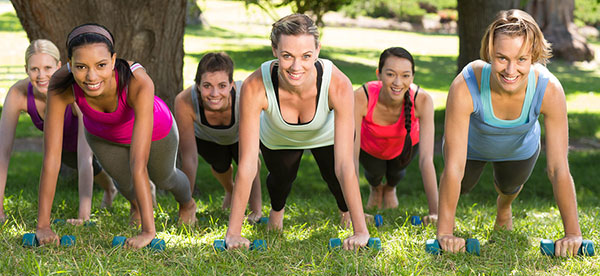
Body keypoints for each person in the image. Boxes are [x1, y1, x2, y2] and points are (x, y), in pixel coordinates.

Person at [36, 23, 196, 249]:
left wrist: (148, 233)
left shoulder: (137, 81)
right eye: (81, 66)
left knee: (165, 177)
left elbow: (138, 164)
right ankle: (138, 206)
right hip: (103, 134)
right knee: (124, 182)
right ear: (70, 64)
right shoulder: (62, 84)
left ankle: (188, 204)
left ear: (113, 60)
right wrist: (43, 225)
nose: (91, 76)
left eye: (101, 65)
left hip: (156, 129)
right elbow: (52, 158)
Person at [437, 9, 582, 257]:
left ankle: (504, 209)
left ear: (534, 56)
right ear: (490, 53)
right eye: (502, 58)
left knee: (509, 187)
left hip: (519, 148)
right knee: (462, 185)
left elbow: (558, 168)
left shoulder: (549, 90)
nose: (510, 70)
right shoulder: (466, 83)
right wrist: (445, 233)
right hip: (471, 148)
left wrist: (572, 234)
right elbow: (453, 167)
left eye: (522, 59)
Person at [224, 14, 369, 250]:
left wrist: (361, 232)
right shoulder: (254, 85)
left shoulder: (339, 84)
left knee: (335, 176)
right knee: (281, 178)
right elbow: (248, 164)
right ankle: (276, 212)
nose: (296, 66)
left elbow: (345, 165)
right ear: (274, 50)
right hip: (279, 136)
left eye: (306, 56)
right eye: (287, 56)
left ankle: (347, 214)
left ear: (318, 51)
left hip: (326, 133)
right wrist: (234, 233)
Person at [0, 39, 117, 225]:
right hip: (63, 148)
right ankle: (110, 188)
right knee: (80, 163)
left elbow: (84, 157)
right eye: (34, 69)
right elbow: (2, 153)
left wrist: (83, 217)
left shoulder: (74, 92)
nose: (41, 75)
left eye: (48, 68)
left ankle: (114, 190)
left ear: (60, 66)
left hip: (97, 139)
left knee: (97, 164)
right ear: (26, 69)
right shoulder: (18, 93)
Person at [353, 47, 438, 224]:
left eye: (405, 75)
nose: (398, 82)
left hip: (405, 147)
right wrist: (353, 213)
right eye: (390, 74)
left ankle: (390, 188)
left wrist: (436, 212)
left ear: (412, 77)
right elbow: (350, 159)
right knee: (374, 173)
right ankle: (376, 188)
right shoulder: (362, 96)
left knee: (396, 173)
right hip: (370, 148)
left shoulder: (423, 100)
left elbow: (426, 161)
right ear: (379, 74)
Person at [174, 52, 262, 222]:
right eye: (207, 85)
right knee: (220, 166)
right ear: (198, 85)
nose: (215, 93)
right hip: (208, 138)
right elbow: (190, 159)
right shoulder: (184, 101)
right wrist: (185, 206)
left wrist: (256, 210)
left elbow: (250, 160)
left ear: (231, 85)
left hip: (239, 135)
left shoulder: (245, 95)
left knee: (249, 161)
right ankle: (230, 190)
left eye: (222, 86)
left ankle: (255, 207)